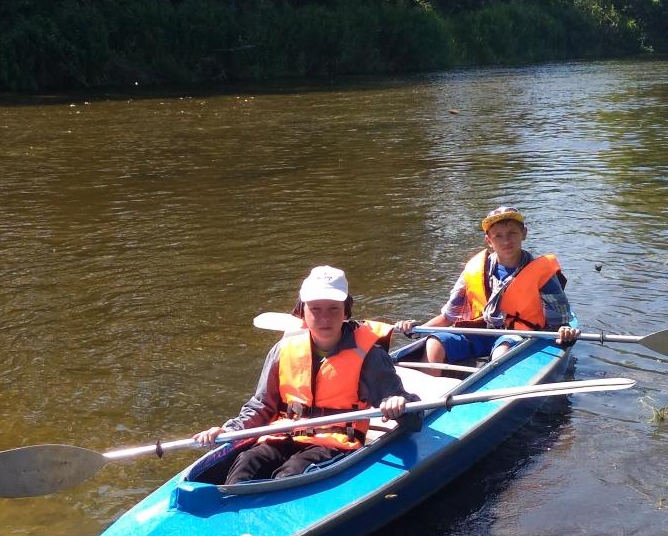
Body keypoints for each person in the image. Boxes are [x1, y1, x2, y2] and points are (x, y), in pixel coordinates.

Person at [194, 265, 417, 484]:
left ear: (346, 311)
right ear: (303, 311)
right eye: (315, 309)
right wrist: (229, 430)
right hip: (284, 435)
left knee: (292, 473)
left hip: (334, 443)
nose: (324, 319)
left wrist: (397, 405)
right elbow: (262, 406)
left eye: (333, 309)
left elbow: (412, 417)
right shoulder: (283, 350)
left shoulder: (370, 356)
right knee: (246, 462)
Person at [398, 205, 581, 375]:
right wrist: (416, 329)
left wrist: (565, 333)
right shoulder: (475, 269)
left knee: (502, 353)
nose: (506, 241)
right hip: (482, 330)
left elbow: (559, 322)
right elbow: (449, 316)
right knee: (435, 342)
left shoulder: (542, 274)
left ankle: (492, 394)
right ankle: (431, 397)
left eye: (512, 233)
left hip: (519, 336)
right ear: (488, 240)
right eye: (498, 236)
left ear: (524, 234)